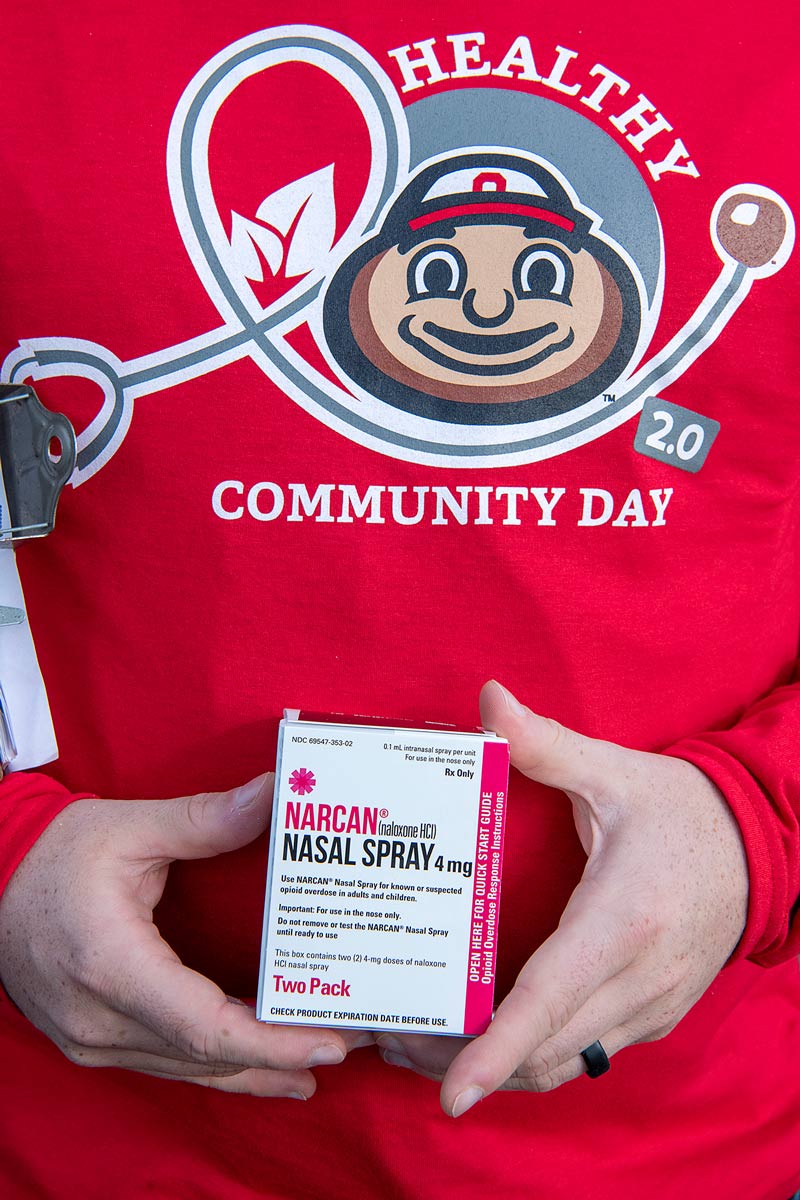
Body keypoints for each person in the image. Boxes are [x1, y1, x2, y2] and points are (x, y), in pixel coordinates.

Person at [0, 2, 798, 1196]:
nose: (484, 310)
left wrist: (755, 824)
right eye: (442, 273)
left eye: (529, 275)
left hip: (676, 1153)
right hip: (77, 1151)